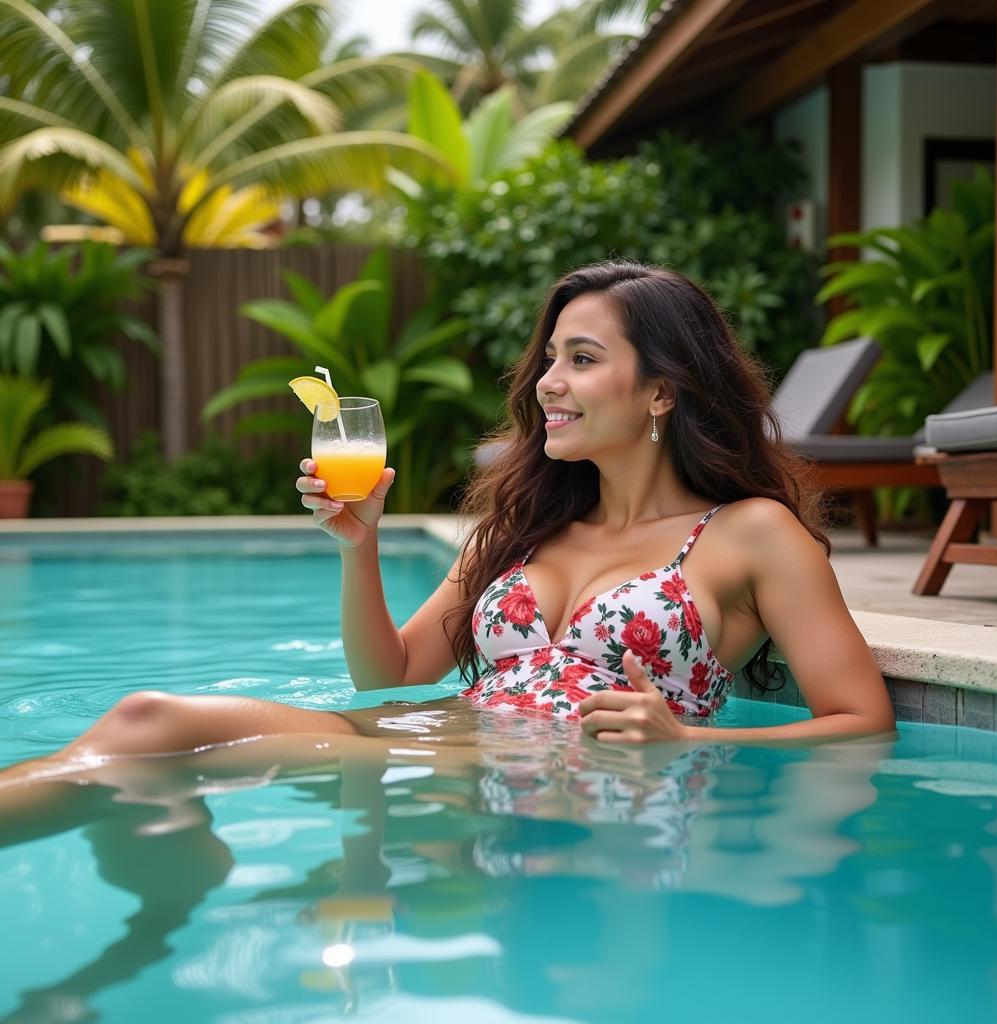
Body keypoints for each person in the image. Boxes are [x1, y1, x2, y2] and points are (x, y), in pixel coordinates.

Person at [8, 259, 894, 775]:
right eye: (550, 359)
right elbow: (386, 671)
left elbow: (863, 721)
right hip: (434, 744)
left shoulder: (750, 534)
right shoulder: (528, 528)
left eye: (581, 360)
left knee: (148, 740)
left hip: (554, 782)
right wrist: (360, 550)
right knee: (145, 721)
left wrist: (688, 741)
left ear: (663, 389)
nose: (547, 382)